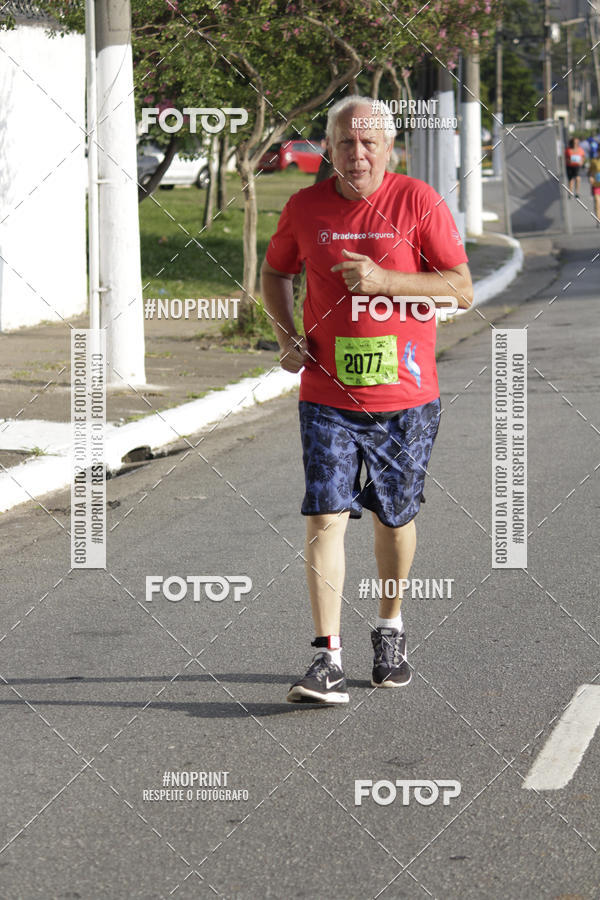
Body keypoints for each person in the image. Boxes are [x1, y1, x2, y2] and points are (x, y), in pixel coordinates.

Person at [261, 96, 473, 704]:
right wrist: (286, 335)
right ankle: (325, 656)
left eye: (369, 142)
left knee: (393, 516)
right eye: (346, 142)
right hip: (326, 391)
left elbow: (460, 289)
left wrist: (385, 282)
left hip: (405, 396)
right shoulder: (305, 207)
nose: (357, 153)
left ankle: (390, 627)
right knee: (324, 513)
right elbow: (275, 273)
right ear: (329, 145)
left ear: (389, 146)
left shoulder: (417, 201)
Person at [588, 146, 600, 225]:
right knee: (597, 202)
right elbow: (589, 172)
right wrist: (591, 178)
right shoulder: (594, 161)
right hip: (596, 185)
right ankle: (598, 219)